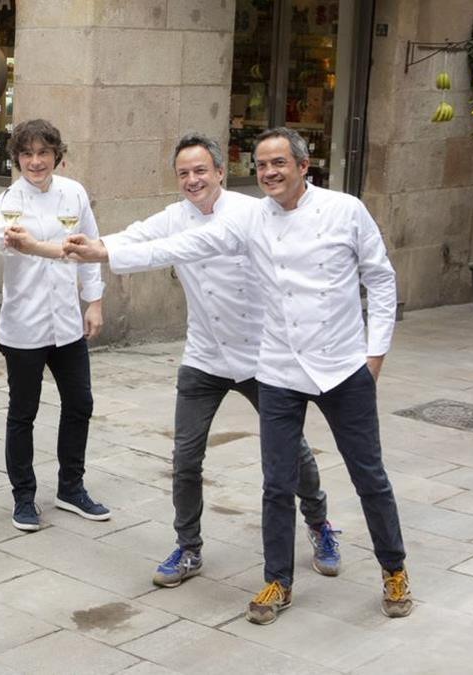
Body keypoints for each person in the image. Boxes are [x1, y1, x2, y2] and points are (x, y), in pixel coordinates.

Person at [65, 127, 412, 624]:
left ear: (302, 164)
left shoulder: (344, 209)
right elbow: (174, 246)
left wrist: (374, 353)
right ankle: (277, 581)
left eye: (279, 163)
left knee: (369, 477)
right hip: (275, 368)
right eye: (263, 165)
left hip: (341, 366)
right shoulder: (252, 220)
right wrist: (101, 252)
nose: (270, 172)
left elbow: (379, 278)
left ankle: (392, 569)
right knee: (274, 482)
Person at [98, 133, 338, 588]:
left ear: (220, 173)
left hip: (260, 355)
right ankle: (188, 548)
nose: (193, 180)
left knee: (291, 451)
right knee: (186, 457)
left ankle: (320, 522)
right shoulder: (173, 218)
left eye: (201, 170)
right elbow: (130, 238)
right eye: (184, 173)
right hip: (204, 355)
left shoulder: (250, 214)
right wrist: (78, 245)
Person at [0, 118, 108, 532]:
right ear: (17, 159)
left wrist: (93, 303)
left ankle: (71, 487)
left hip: (66, 323)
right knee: (22, 413)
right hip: (24, 326)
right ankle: (23, 497)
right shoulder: (7, 202)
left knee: (80, 404)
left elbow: (91, 250)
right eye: (27, 154)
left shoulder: (74, 193)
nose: (35, 161)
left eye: (43, 153)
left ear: (56, 156)